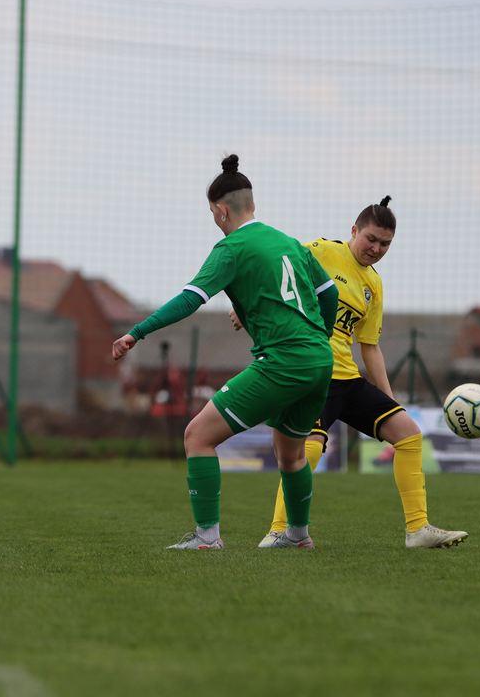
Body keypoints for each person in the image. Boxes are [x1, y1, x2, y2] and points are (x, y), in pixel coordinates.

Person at [112, 154, 338, 550]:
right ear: (252, 203)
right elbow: (329, 293)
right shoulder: (288, 242)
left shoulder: (231, 247)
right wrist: (318, 333)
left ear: (220, 210)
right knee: (291, 453)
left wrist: (137, 332)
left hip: (283, 360)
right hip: (319, 358)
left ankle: (206, 538)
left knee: (197, 436)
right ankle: (298, 537)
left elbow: (189, 299)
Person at [234, 197, 468, 549]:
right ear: (353, 230)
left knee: (409, 435)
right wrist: (247, 302)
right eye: (370, 239)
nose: (376, 248)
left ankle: (418, 529)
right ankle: (280, 530)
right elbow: (276, 264)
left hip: (348, 379)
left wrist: (389, 399)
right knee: (308, 450)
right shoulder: (322, 251)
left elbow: (369, 347)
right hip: (311, 373)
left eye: (385, 244)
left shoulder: (374, 285)